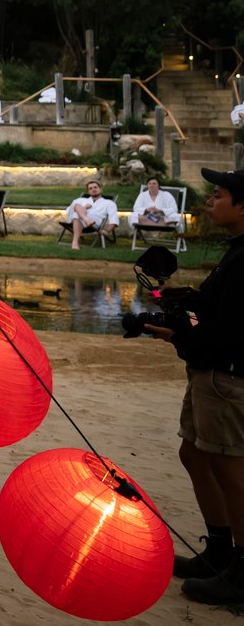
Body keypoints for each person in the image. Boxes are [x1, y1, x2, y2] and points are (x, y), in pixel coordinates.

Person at [147, 168, 244, 603]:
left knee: (229, 468)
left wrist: (178, 332)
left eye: (219, 194)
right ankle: (220, 550)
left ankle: (240, 570)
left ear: (242, 206)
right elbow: (210, 310)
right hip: (209, 372)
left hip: (226, 376)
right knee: (195, 454)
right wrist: (181, 301)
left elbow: (225, 331)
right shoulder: (236, 252)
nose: (210, 201)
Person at [62, 178, 118, 249]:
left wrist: (107, 231)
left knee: (77, 214)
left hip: (94, 222)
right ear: (88, 191)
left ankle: (75, 243)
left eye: (95, 187)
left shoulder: (109, 203)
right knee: (76, 207)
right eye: (90, 188)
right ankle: (85, 220)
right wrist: (84, 208)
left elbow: (113, 218)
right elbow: (69, 211)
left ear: (101, 189)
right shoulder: (81, 200)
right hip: (80, 220)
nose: (93, 189)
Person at [131, 176, 184, 242]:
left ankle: (159, 222)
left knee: (175, 216)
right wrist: (147, 209)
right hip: (148, 217)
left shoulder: (167, 195)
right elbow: (136, 208)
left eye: (154, 183)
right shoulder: (142, 195)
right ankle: (160, 223)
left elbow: (174, 209)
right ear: (147, 185)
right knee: (133, 215)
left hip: (163, 217)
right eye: (149, 184)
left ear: (158, 185)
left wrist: (160, 210)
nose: (151, 185)